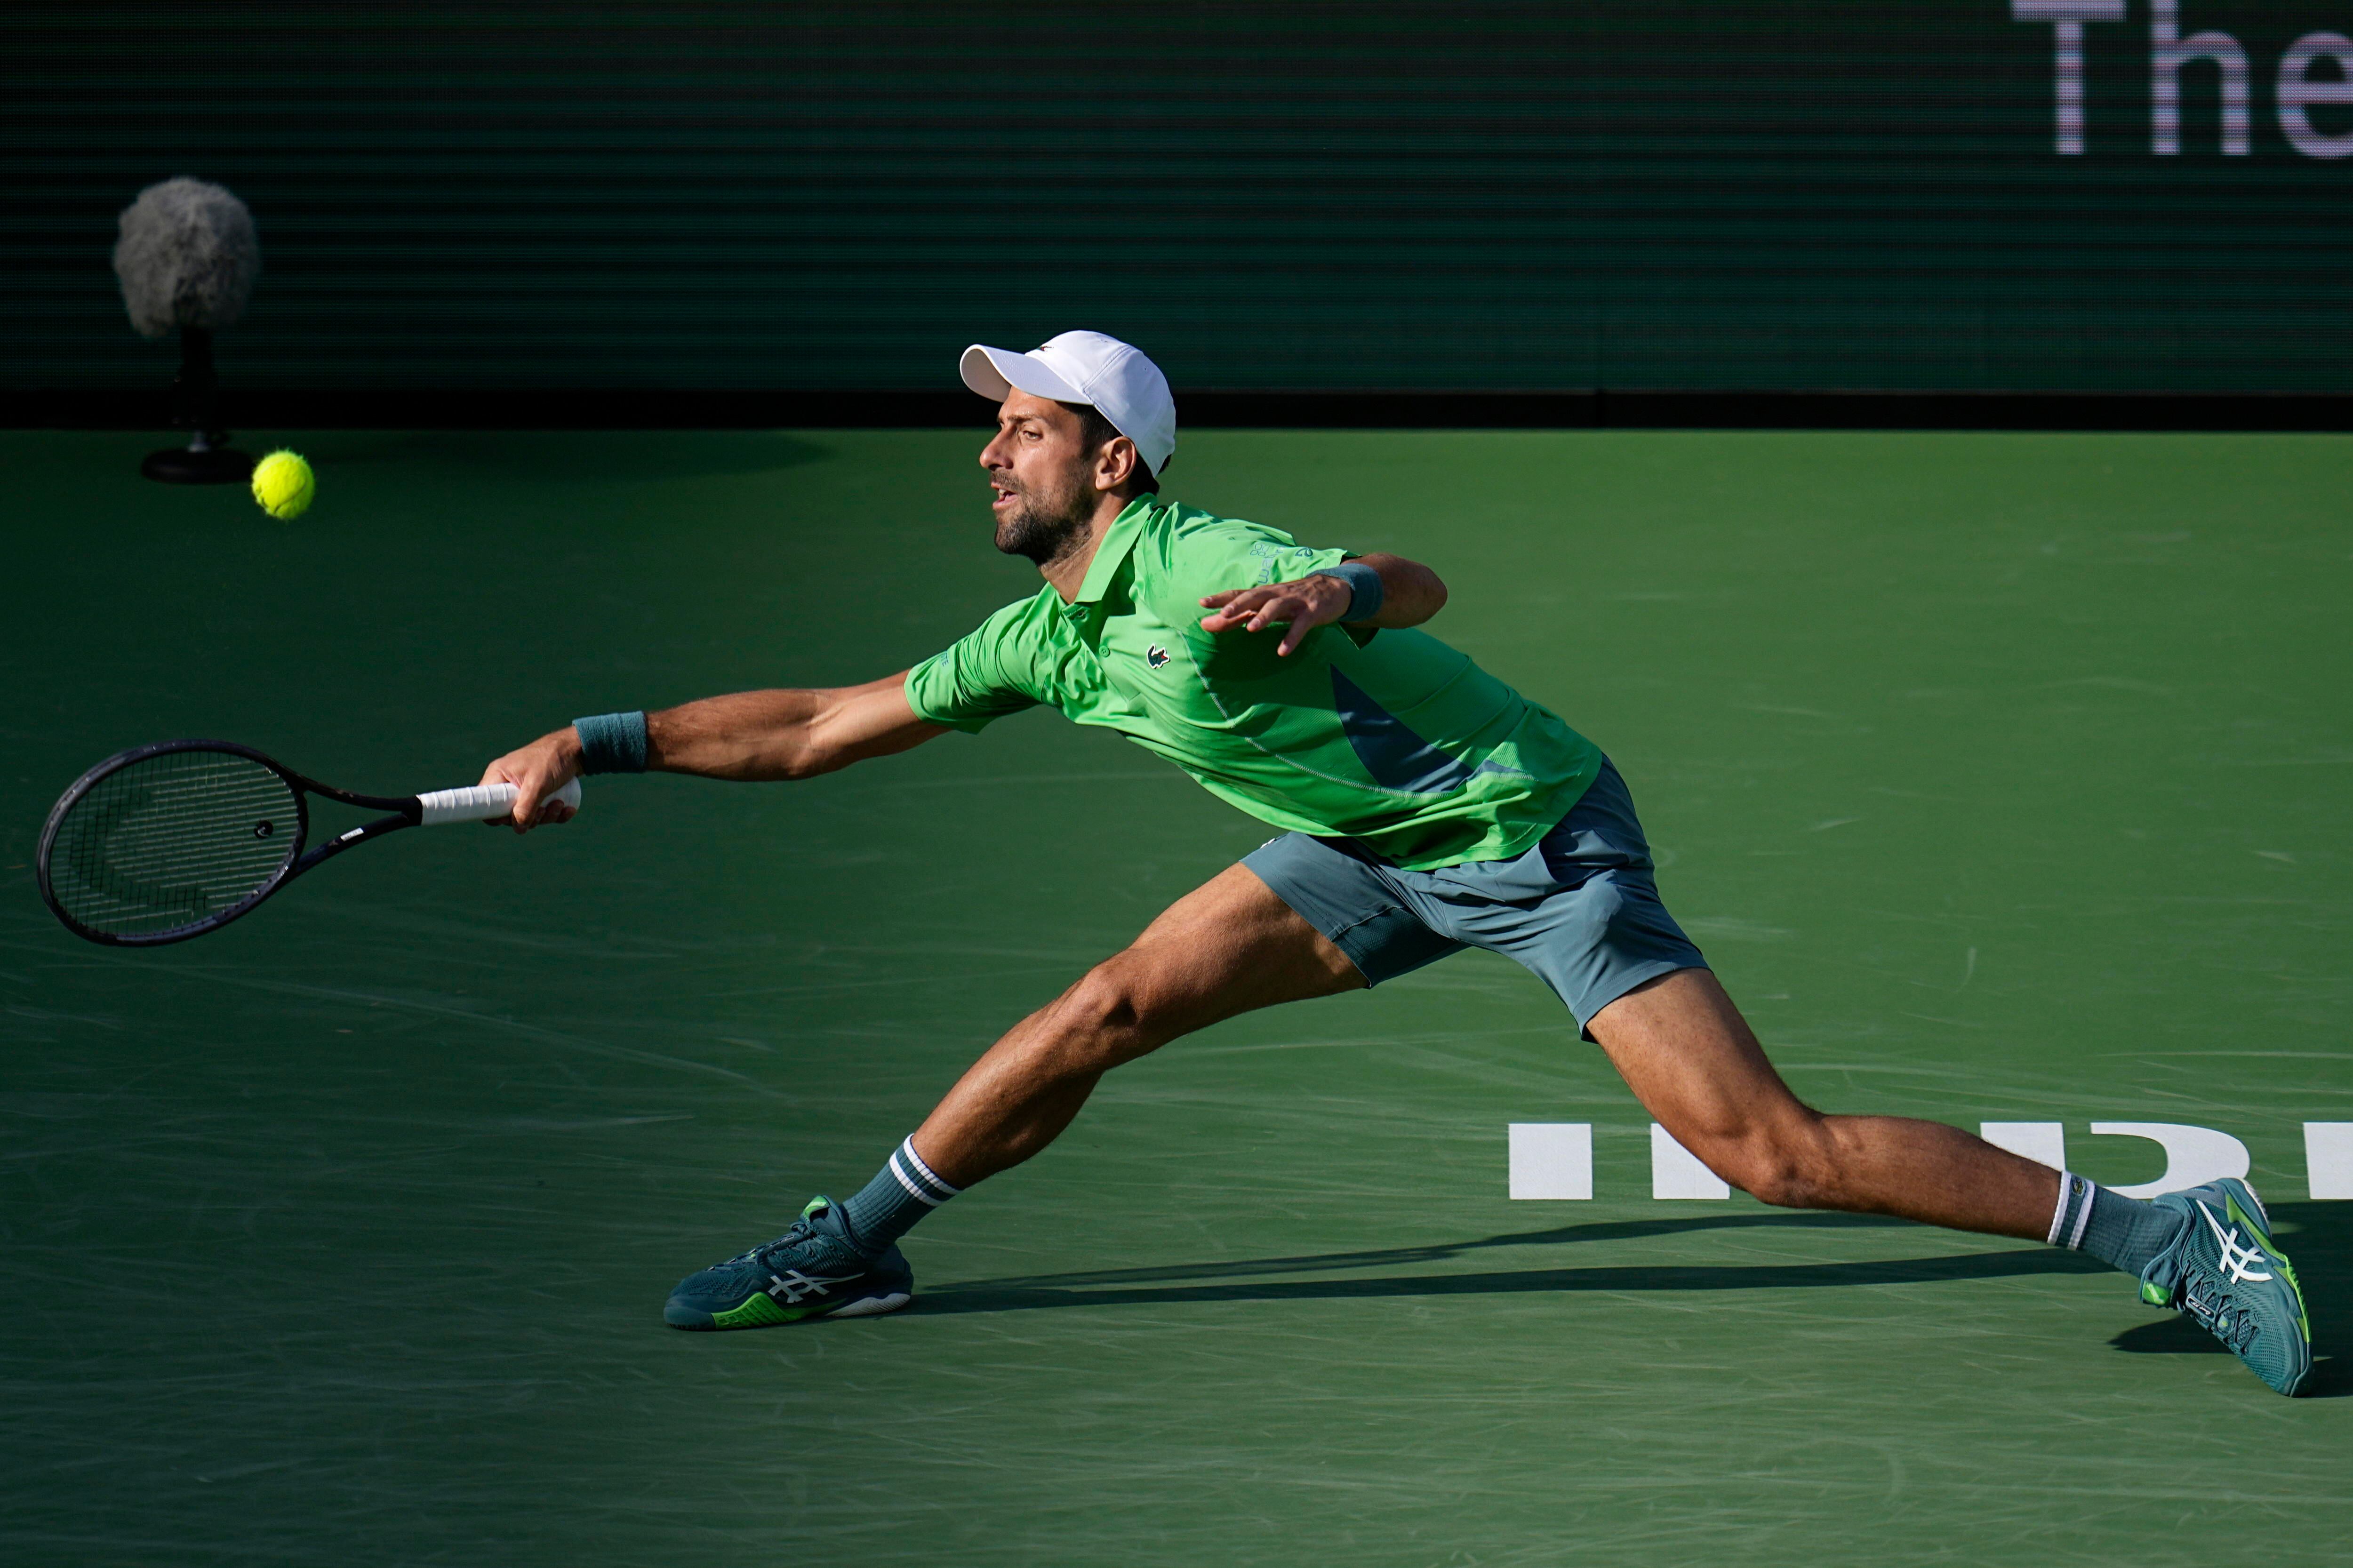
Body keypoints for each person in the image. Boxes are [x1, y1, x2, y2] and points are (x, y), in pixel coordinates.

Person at [480, 331, 2312, 1394]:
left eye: (1021, 424)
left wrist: (1331, 590)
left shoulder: (1204, 567)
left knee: (1758, 1150)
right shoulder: (1043, 638)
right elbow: (812, 724)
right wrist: (601, 739)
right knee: (1102, 1003)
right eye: (994, 423)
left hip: (1531, 829)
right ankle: (846, 1250)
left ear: (1107, 460)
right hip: (1364, 848)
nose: (989, 446)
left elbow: (1411, 583)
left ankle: (2168, 1230)